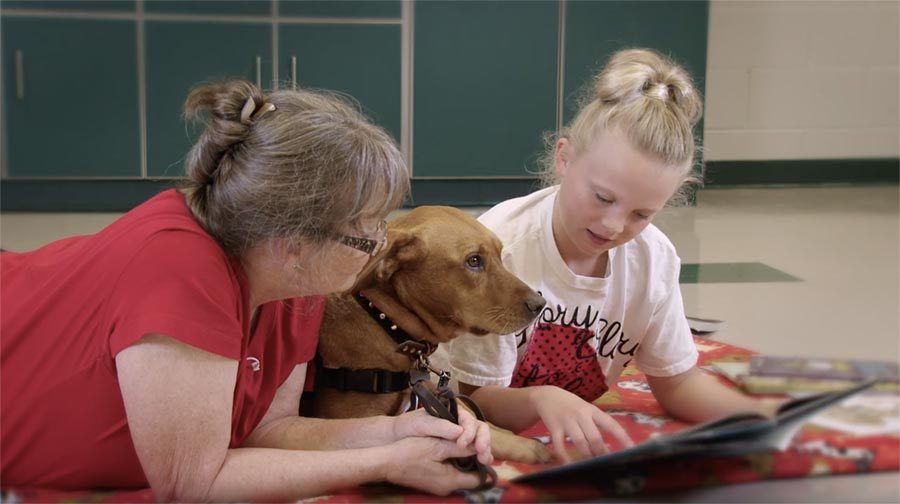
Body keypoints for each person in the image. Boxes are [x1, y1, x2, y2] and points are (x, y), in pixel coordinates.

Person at [0, 81, 492, 501]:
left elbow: (268, 431)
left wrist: (397, 431)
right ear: (294, 239)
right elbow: (191, 482)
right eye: (365, 226)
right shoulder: (177, 271)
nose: (380, 241)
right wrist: (385, 462)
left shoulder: (298, 279)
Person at [442, 48, 783, 462]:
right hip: (473, 410)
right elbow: (476, 401)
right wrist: (543, 399)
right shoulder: (502, 250)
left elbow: (677, 385)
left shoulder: (654, 258)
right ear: (564, 158)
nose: (613, 226)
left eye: (641, 214)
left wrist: (762, 414)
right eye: (602, 197)